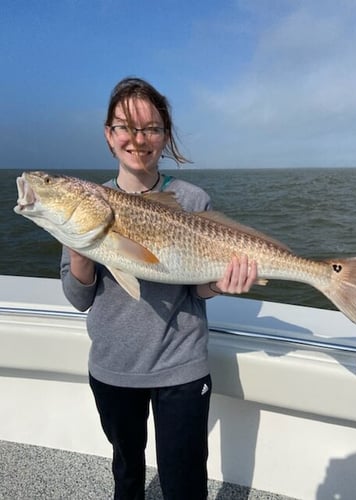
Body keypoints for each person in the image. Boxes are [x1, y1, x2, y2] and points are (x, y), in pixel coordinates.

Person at [60, 77, 258, 500]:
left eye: (150, 128)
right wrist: (80, 248)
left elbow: (196, 290)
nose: (137, 139)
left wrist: (219, 284)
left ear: (165, 135)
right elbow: (79, 299)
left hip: (182, 366)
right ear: (108, 135)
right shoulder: (89, 204)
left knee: (184, 482)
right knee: (127, 474)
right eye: (124, 127)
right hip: (113, 365)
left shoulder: (192, 198)